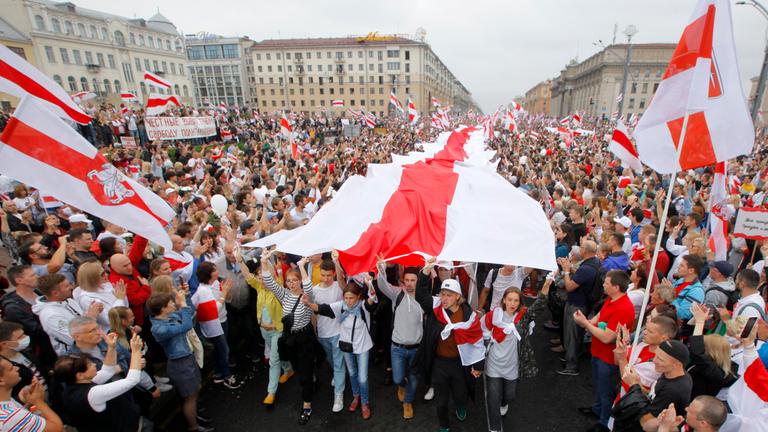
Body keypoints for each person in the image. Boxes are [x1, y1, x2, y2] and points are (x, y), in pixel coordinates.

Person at [415, 257, 484, 432]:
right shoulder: (435, 308)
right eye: (442, 294)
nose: (444, 298)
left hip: (459, 364)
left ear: (458, 297)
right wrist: (425, 272)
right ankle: (444, 424)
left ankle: (461, 405)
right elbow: (420, 294)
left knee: (461, 394)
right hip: (439, 363)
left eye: (448, 295)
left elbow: (477, 342)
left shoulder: (469, 317)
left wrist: (478, 366)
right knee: (441, 400)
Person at [482, 277, 551, 432]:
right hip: (494, 363)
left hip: (513, 365)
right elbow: (484, 330)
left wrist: (546, 286)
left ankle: (504, 403)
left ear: (520, 302)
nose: (513, 303)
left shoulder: (524, 317)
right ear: (504, 300)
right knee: (493, 398)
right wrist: (486, 343)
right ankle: (494, 427)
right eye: (510, 300)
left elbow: (539, 306)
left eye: (516, 300)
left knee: (510, 394)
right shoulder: (493, 315)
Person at [303, 277, 378, 420]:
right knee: (352, 373)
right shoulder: (341, 306)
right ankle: (356, 397)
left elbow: (372, 297)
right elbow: (322, 308)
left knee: (362, 378)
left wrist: (369, 283)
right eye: (346, 298)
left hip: (362, 346)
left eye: (351, 298)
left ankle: (365, 403)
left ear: (358, 297)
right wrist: (308, 304)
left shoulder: (363, 307)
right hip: (346, 346)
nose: (348, 301)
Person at [260, 250, 319, 425]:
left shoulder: (307, 295)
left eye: (295, 281)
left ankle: (307, 405)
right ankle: (311, 377)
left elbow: (308, 285)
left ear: (299, 281)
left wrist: (301, 266)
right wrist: (264, 262)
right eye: (289, 281)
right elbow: (270, 282)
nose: (292, 284)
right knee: (300, 369)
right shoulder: (284, 295)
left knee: (304, 376)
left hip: (306, 337)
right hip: (291, 340)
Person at [573, 270, 636, 431]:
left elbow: (608, 337)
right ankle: (598, 409)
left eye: (606, 283)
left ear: (615, 287)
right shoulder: (612, 299)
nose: (603, 285)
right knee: (600, 387)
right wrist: (587, 321)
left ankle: (603, 423)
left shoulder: (623, 308)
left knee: (606, 391)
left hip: (608, 358)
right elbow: (600, 316)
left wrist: (586, 324)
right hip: (598, 352)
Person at [149, 289, 212, 432]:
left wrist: (186, 297)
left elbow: (189, 314)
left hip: (187, 359)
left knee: (195, 391)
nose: (173, 304)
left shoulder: (168, 316)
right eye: (170, 302)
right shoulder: (159, 328)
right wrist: (182, 305)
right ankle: (193, 426)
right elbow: (186, 325)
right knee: (190, 397)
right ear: (163, 308)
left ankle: (195, 417)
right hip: (180, 364)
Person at [54, 332, 143, 432]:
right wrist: (136, 351)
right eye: (90, 364)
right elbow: (132, 380)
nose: (94, 365)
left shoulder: (74, 385)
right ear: (80, 375)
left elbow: (107, 370)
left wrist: (111, 347)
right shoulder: (91, 394)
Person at [236, 253, 291, 406]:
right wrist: (239, 259)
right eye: (259, 277)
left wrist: (265, 262)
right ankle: (288, 370)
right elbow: (247, 275)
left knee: (273, 360)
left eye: (263, 277)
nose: (261, 280)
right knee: (279, 355)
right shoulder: (259, 289)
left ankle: (271, 393)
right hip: (264, 331)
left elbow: (272, 277)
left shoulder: (277, 289)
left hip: (277, 331)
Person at [375, 257, 424, 420]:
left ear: (418, 281)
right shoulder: (397, 293)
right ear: (403, 281)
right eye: (407, 280)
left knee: (414, 379)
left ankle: (407, 403)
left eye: (413, 280)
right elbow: (382, 284)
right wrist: (381, 267)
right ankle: (401, 385)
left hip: (416, 348)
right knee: (397, 377)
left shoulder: (424, 299)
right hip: (397, 348)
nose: (410, 283)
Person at [622, 340, 693, 431]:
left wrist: (634, 385)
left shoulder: (673, 390)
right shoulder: (671, 372)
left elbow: (645, 422)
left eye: (660, 359)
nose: (654, 361)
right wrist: (639, 384)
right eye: (656, 356)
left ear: (677, 365)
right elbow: (654, 395)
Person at [554, 240, 600, 376]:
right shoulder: (594, 263)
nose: (579, 249)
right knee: (576, 335)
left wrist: (567, 271)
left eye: (581, 247)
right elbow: (581, 275)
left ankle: (571, 365)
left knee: (571, 335)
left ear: (584, 250)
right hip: (583, 303)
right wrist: (570, 267)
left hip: (576, 305)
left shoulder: (586, 268)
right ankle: (572, 356)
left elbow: (569, 287)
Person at [191, 261, 239, 389]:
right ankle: (227, 376)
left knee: (220, 350)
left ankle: (218, 374)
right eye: (215, 270)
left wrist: (225, 292)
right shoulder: (203, 291)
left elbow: (222, 300)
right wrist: (224, 293)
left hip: (222, 320)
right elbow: (213, 310)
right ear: (209, 274)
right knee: (224, 350)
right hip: (214, 326)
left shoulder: (216, 283)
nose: (218, 271)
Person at [307, 255, 346, 413]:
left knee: (338, 364)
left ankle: (339, 396)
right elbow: (313, 312)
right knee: (331, 360)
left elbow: (343, 281)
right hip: (323, 333)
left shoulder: (339, 286)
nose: (325, 278)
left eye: (329, 275)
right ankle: (339, 377)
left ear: (334, 274)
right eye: (323, 275)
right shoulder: (315, 290)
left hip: (337, 331)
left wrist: (337, 261)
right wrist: (315, 330)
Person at [1, 265, 57, 367]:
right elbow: (35, 330)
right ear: (19, 280)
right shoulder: (14, 308)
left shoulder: (37, 292)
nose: (37, 277)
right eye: (32, 275)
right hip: (44, 351)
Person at [31, 273, 101, 355]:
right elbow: (75, 338)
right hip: (79, 355)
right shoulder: (50, 316)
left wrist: (91, 310)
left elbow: (79, 319)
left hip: (94, 345)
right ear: (55, 293)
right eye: (67, 286)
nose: (71, 287)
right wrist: (91, 317)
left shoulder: (67, 300)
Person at [687, 303, 738, 398]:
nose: (700, 344)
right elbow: (689, 338)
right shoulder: (713, 365)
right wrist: (696, 320)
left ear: (711, 351)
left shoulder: (717, 373)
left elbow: (697, 351)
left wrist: (700, 322)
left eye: (703, 345)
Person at [0, 356, 63, 432]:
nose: (17, 368)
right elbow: (56, 428)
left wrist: (27, 402)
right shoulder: (10, 417)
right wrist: (39, 402)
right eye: (11, 368)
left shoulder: (5, 404)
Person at [73, 261, 128, 331]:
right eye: (102, 274)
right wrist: (120, 299)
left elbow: (125, 307)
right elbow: (108, 320)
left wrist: (122, 295)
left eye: (105, 271)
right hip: (111, 332)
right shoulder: (86, 299)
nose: (106, 275)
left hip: (123, 325)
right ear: (92, 278)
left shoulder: (105, 285)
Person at [0, 322, 47, 401]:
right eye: (20, 337)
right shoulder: (4, 367)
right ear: (5, 344)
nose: (26, 337)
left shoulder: (26, 351)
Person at [655, 396, 727, 432]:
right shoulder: (691, 425)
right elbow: (647, 427)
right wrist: (663, 422)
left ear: (702, 423)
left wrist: (664, 427)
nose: (686, 409)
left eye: (690, 411)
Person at [671, 255, 706, 322]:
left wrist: (670, 295)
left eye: (682, 266)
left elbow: (683, 315)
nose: (678, 267)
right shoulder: (680, 281)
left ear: (691, 271)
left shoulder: (697, 291)